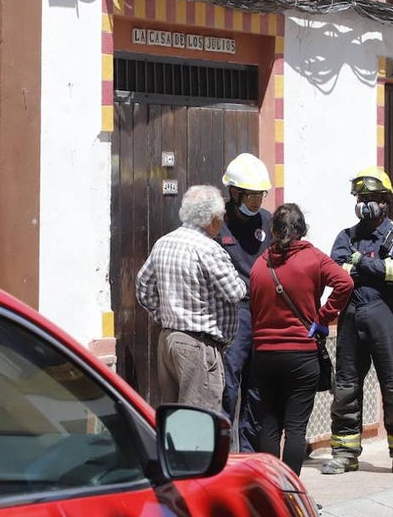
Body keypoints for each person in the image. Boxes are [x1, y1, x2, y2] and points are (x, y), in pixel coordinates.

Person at [322, 166, 393, 477]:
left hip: (387, 320)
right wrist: (377, 266)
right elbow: (337, 273)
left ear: (385, 200)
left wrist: (360, 263)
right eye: (361, 197)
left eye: (372, 198)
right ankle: (344, 452)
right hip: (351, 319)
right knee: (346, 388)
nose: (366, 203)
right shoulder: (346, 236)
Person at [249, 203, 353, 473]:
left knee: (269, 425)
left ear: (273, 230)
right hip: (300, 354)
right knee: (295, 428)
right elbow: (345, 283)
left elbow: (254, 308)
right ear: (302, 230)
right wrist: (323, 318)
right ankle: (291, 494)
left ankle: (271, 492)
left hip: (264, 355)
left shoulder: (260, 265)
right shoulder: (313, 258)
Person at [136, 185, 248, 411]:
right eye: (220, 216)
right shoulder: (208, 249)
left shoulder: (164, 242)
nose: (223, 220)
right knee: (199, 419)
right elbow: (235, 292)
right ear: (211, 219)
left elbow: (143, 288)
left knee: (175, 417)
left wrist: (167, 315)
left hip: (169, 340)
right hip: (198, 345)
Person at [219, 152, 274, 452]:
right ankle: (223, 454)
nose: (257, 201)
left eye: (260, 195)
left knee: (257, 389)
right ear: (234, 191)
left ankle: (250, 455)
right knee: (227, 386)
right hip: (232, 314)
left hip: (264, 313)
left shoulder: (267, 221)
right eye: (251, 195)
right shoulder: (218, 222)